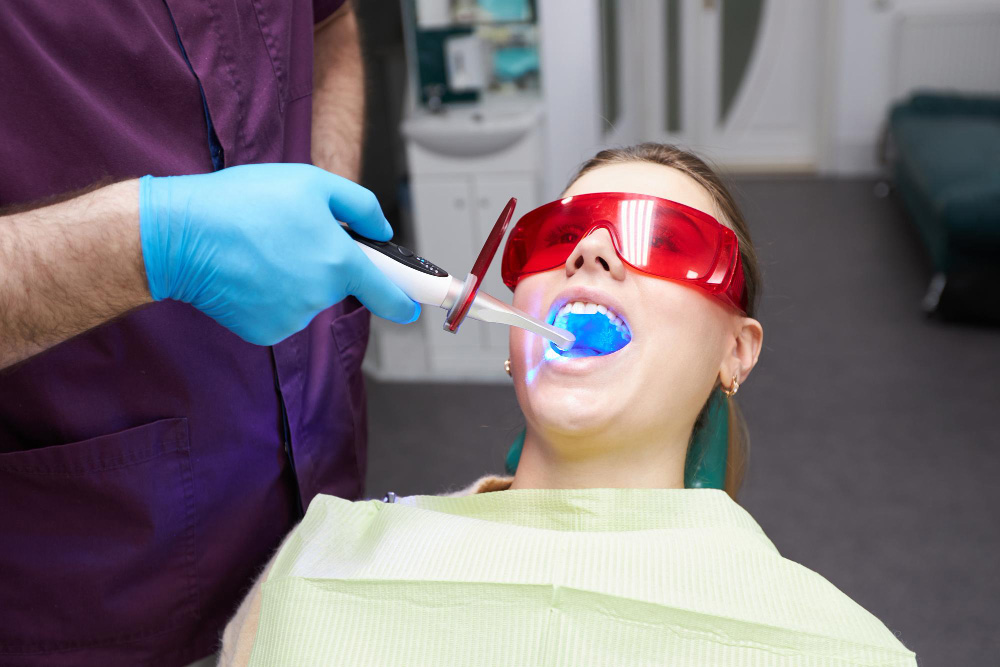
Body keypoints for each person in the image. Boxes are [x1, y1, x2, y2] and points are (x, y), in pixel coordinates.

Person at [217, 144, 918, 665]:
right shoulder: (319, 557)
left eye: (662, 239)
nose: (590, 251)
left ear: (737, 351)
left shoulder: (845, 649)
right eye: (558, 234)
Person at [0, 2, 418, 665]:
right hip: (86, 576)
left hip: (318, 494)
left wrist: (326, 210)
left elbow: (330, 24)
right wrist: (152, 241)